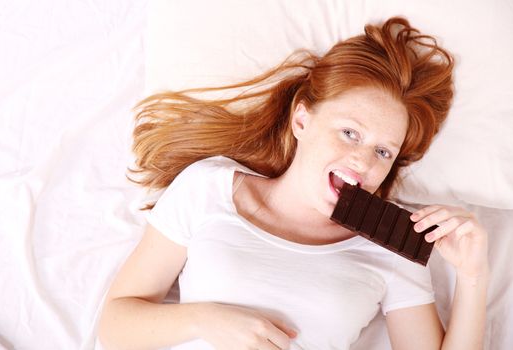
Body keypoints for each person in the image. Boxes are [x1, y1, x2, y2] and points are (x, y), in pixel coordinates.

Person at [98, 17, 489, 350]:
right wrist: (206, 321)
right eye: (350, 133)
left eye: (383, 152)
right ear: (302, 121)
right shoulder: (208, 189)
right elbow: (115, 324)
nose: (363, 161)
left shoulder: (394, 247)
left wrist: (473, 276)